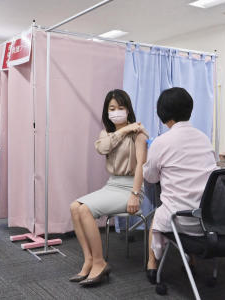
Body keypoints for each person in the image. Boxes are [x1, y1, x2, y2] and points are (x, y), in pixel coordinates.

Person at [69, 89, 148, 286]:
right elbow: (102, 148)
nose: (116, 112)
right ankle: (88, 260)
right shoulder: (106, 134)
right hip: (112, 184)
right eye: (112, 108)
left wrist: (135, 194)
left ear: (128, 110)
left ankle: (99, 262)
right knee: (74, 207)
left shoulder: (138, 134)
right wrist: (122, 130)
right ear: (107, 111)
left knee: (85, 209)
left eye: (121, 107)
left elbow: (141, 165)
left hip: (131, 188)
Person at [143, 87, 216, 283]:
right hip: (209, 220)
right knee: (188, 199)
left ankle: (152, 265)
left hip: (180, 220)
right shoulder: (204, 139)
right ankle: (191, 262)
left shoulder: (161, 141)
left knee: (160, 212)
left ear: (162, 113)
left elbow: (150, 178)